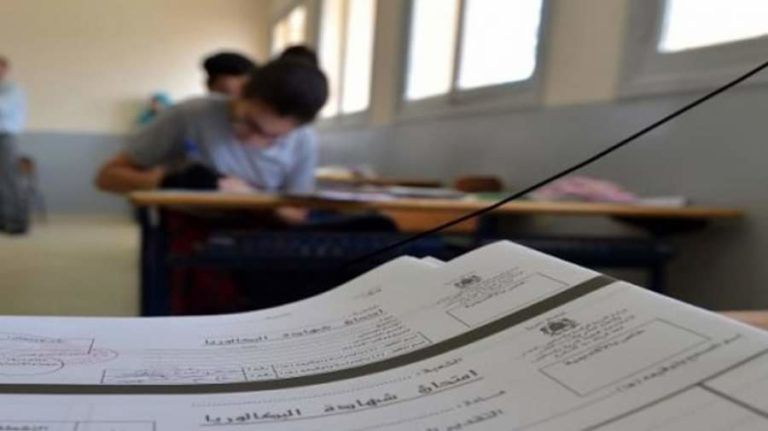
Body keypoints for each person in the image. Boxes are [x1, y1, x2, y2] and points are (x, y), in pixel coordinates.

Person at [96, 58, 327, 208]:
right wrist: (168, 182)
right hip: (190, 236)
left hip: (260, 240)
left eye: (272, 138)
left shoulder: (303, 140)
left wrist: (249, 197)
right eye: (249, 123)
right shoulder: (190, 114)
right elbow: (106, 177)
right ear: (240, 92)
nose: (251, 140)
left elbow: (296, 213)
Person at [0, 56, 29, 234]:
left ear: (5, 70)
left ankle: (18, 221)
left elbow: (2, 107)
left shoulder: (13, 89)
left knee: (10, 178)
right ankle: (3, 218)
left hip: (6, 136)